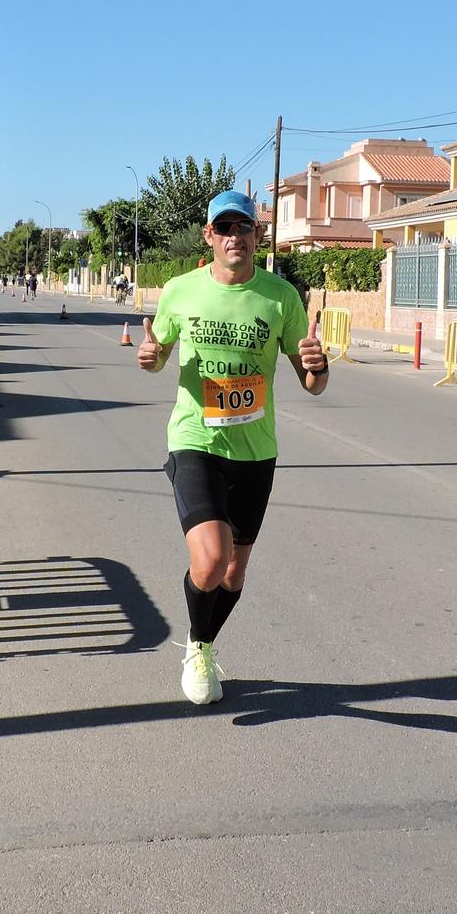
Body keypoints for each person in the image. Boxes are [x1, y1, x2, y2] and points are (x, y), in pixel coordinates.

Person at [136, 189, 329, 704]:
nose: (234, 237)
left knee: (234, 570)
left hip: (255, 450)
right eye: (224, 228)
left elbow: (312, 384)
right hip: (194, 440)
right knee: (210, 560)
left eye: (243, 228)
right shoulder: (180, 291)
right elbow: (158, 357)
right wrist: (150, 354)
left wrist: (317, 364)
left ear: (258, 235)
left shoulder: (281, 297)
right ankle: (198, 650)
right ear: (209, 237)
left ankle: (203, 643)